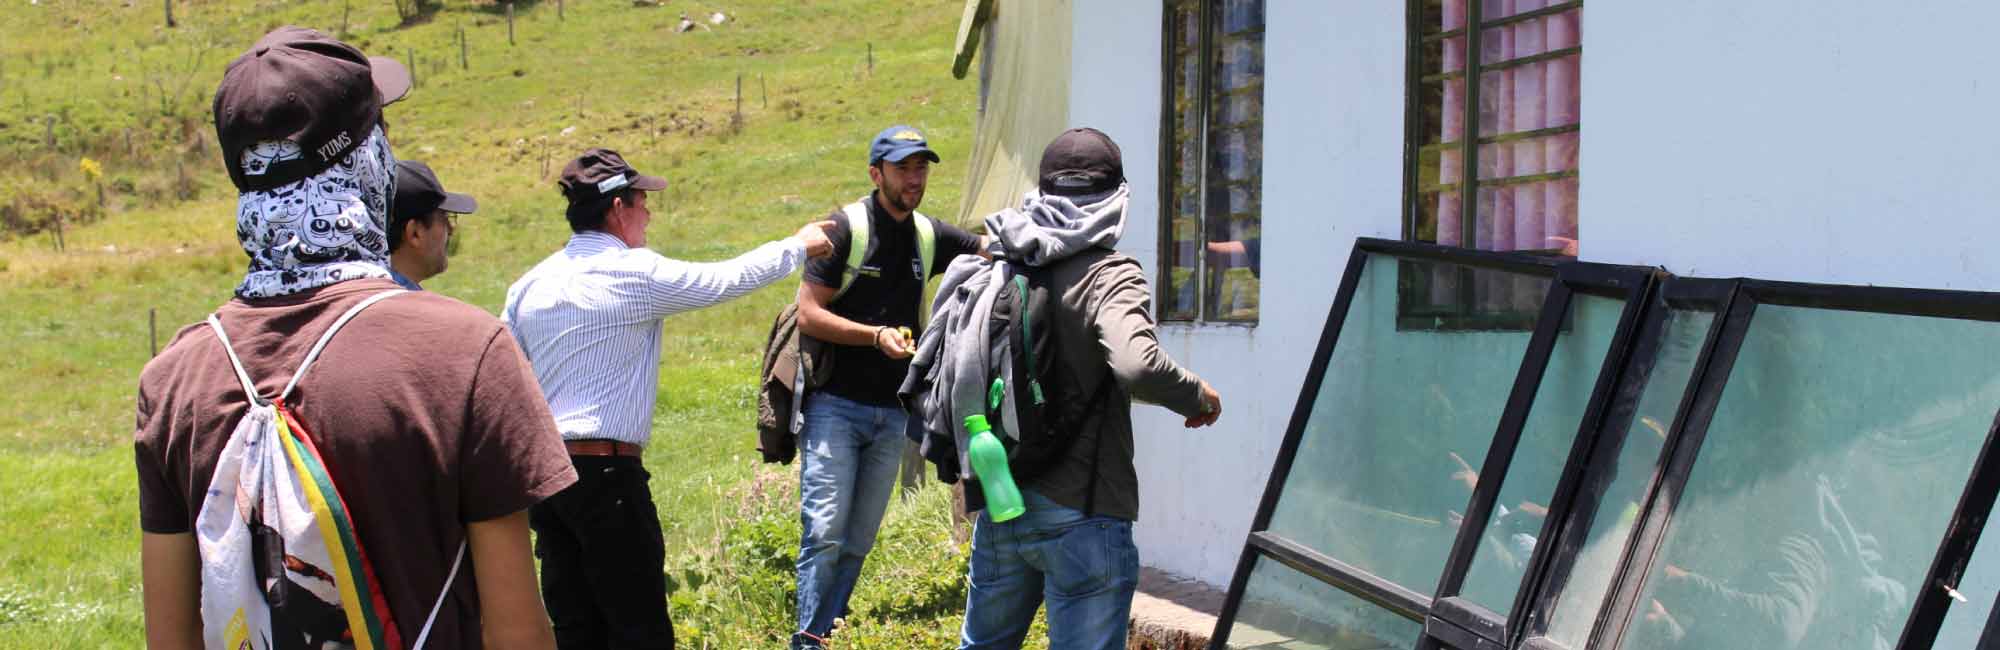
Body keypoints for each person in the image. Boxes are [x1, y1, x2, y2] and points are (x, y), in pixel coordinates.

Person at [136, 26, 572, 649]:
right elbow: (517, 629)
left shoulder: (173, 378)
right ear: (368, 160)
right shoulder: (466, 352)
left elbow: (171, 637)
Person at [503, 147, 835, 649]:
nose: (649, 214)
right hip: (606, 473)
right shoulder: (633, 273)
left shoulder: (528, 286)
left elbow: (511, 376)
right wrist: (797, 245)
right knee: (640, 629)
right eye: (641, 202)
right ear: (618, 209)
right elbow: (725, 278)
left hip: (548, 478)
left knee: (576, 628)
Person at [953, 128, 1222, 650]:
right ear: (1117, 198)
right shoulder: (1109, 274)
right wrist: (1198, 396)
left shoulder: (1007, 262)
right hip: (1084, 510)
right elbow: (1135, 365)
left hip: (1005, 496)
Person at [789, 125, 989, 649]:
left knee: (858, 540)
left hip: (892, 410)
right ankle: (807, 641)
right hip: (834, 405)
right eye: (903, 168)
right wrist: (873, 336)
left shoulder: (927, 234)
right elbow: (808, 314)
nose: (914, 178)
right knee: (825, 529)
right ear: (876, 174)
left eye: (921, 167)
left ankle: (826, 631)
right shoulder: (844, 228)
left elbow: (986, 248)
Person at [387, 159, 478, 290]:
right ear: (415, 233)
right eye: (445, 218)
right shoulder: (412, 307)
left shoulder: (356, 289)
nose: (451, 229)